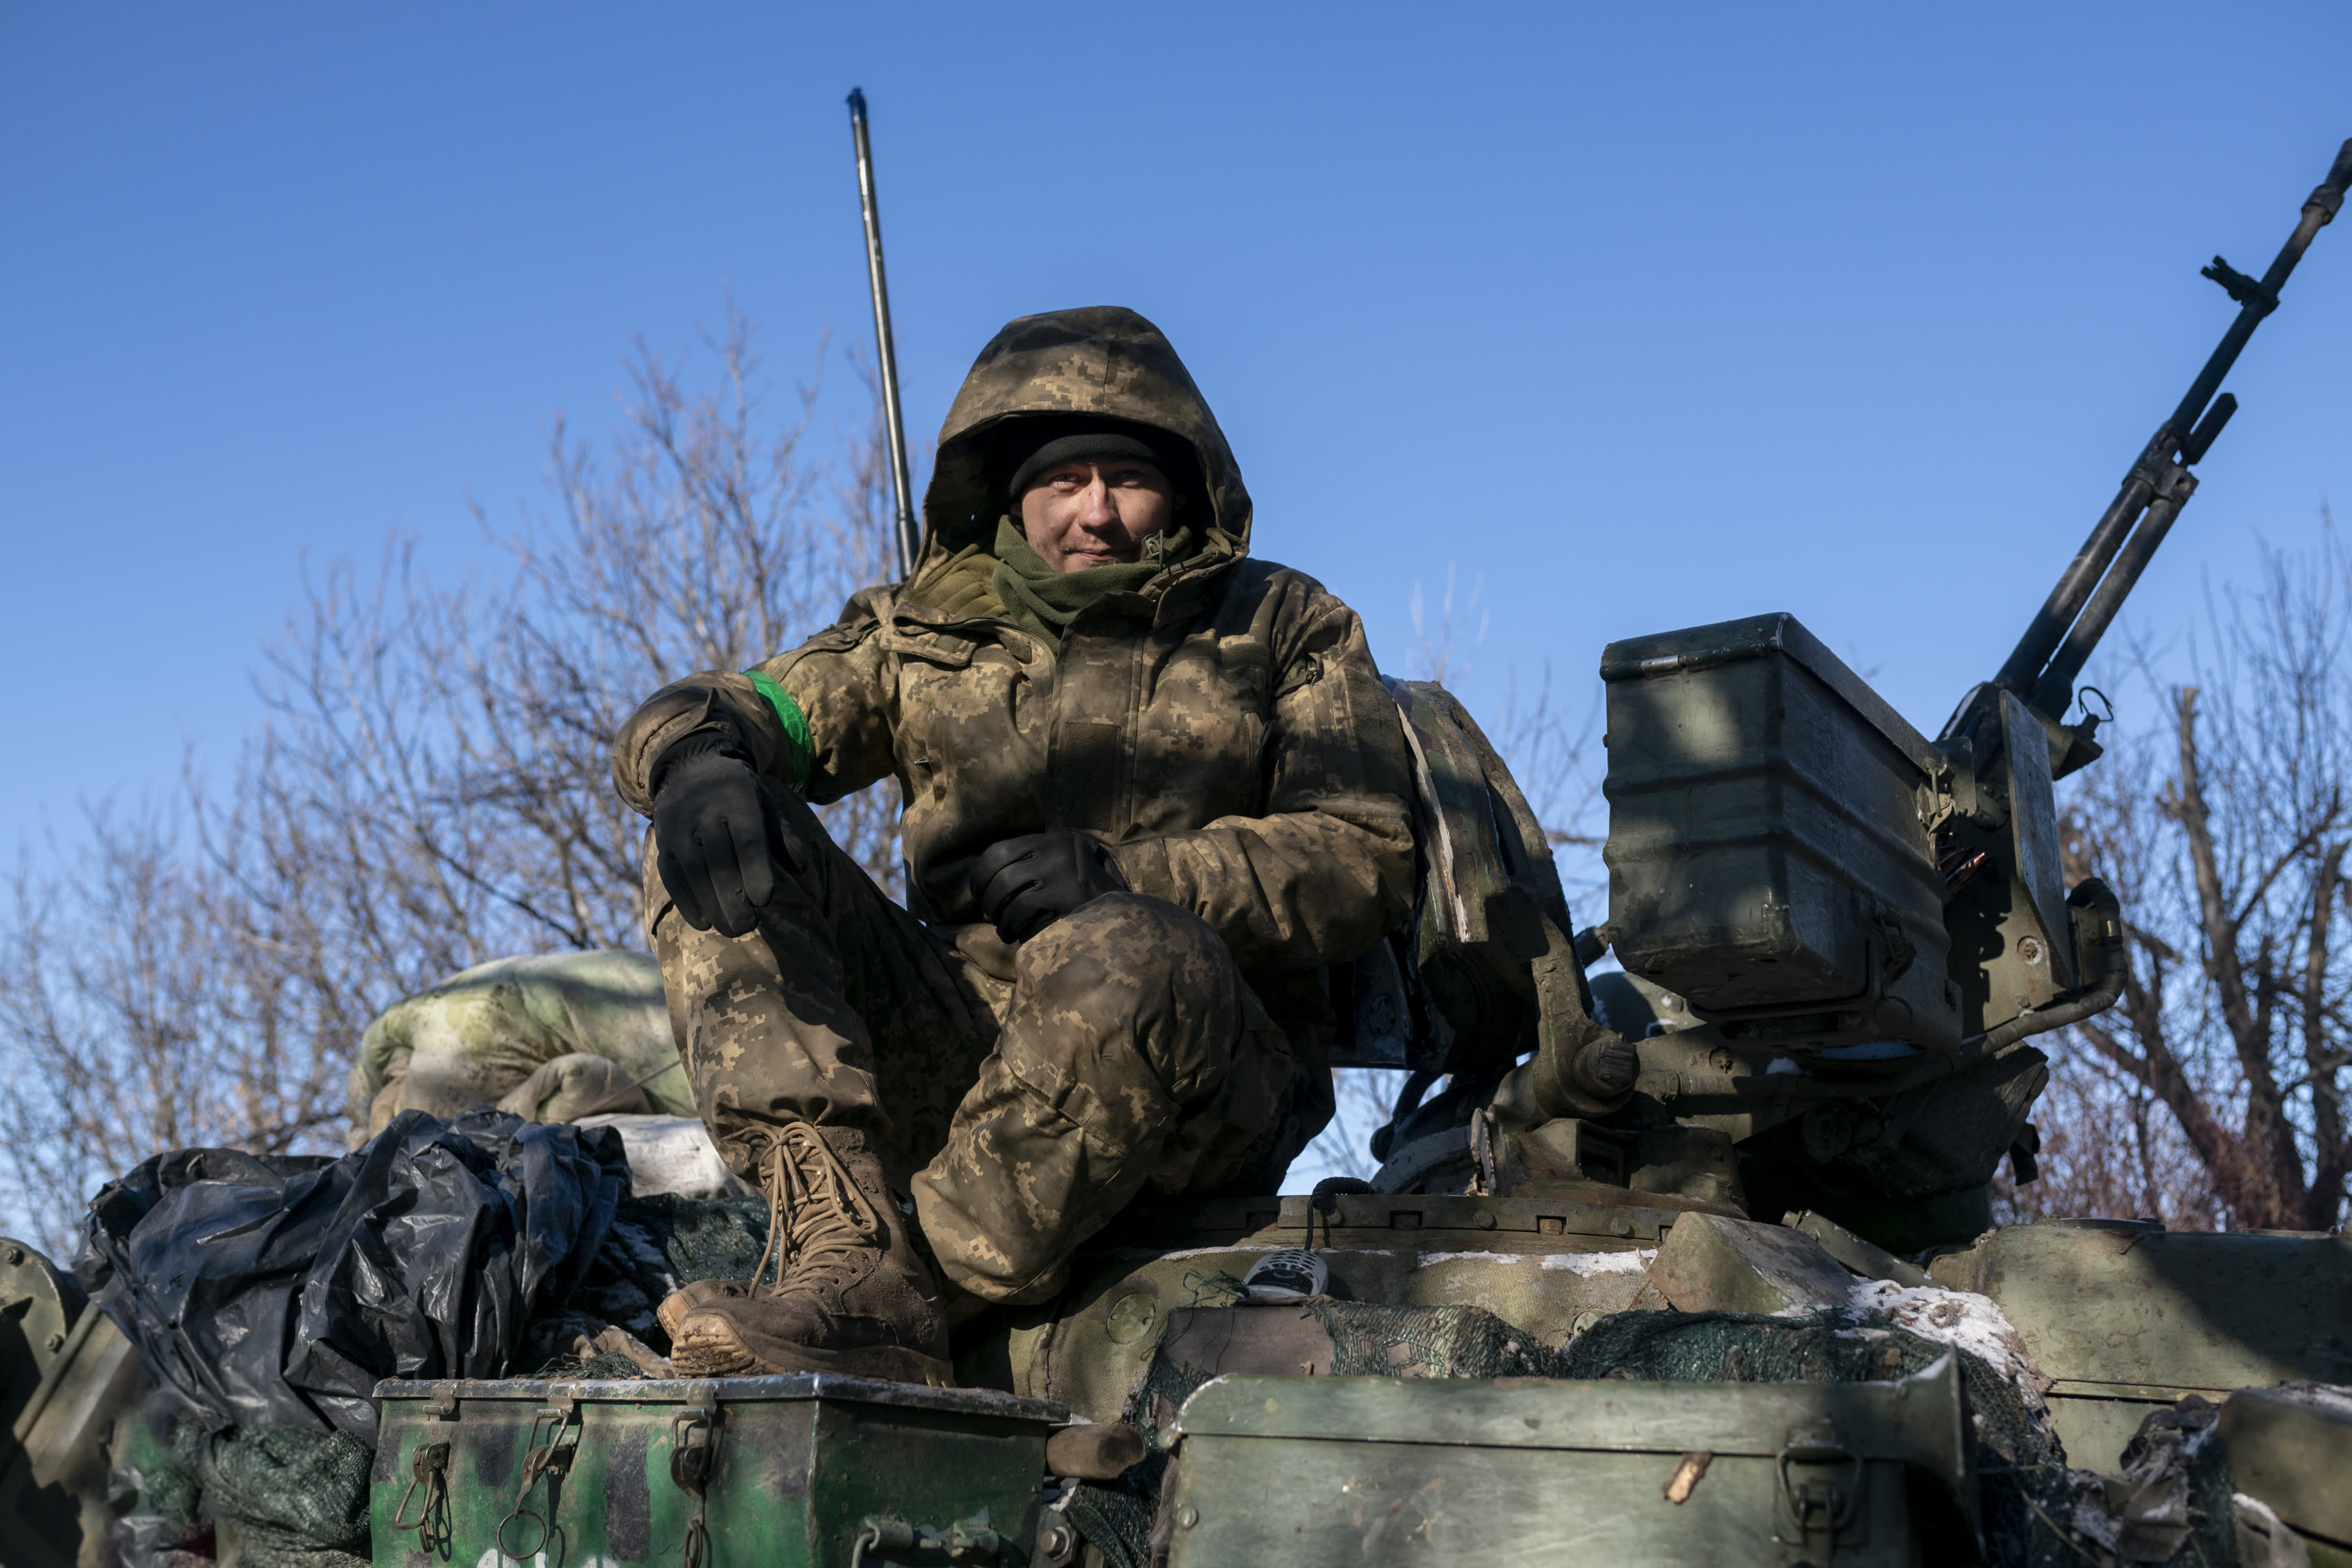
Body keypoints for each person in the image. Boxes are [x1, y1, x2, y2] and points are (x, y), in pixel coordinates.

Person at [610, 305, 1416, 1383]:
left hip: (1204, 1066)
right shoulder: (921, 631)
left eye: (1125, 478)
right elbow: (764, 708)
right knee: (711, 843)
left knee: (1131, 951)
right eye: (1062, 480)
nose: (1097, 513)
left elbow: (1363, 854)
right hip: (966, 1040)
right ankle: (843, 1245)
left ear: (1183, 485)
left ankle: (907, 1299)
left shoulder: (1281, 626)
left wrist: (1136, 877)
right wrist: (694, 754)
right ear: (1010, 492)